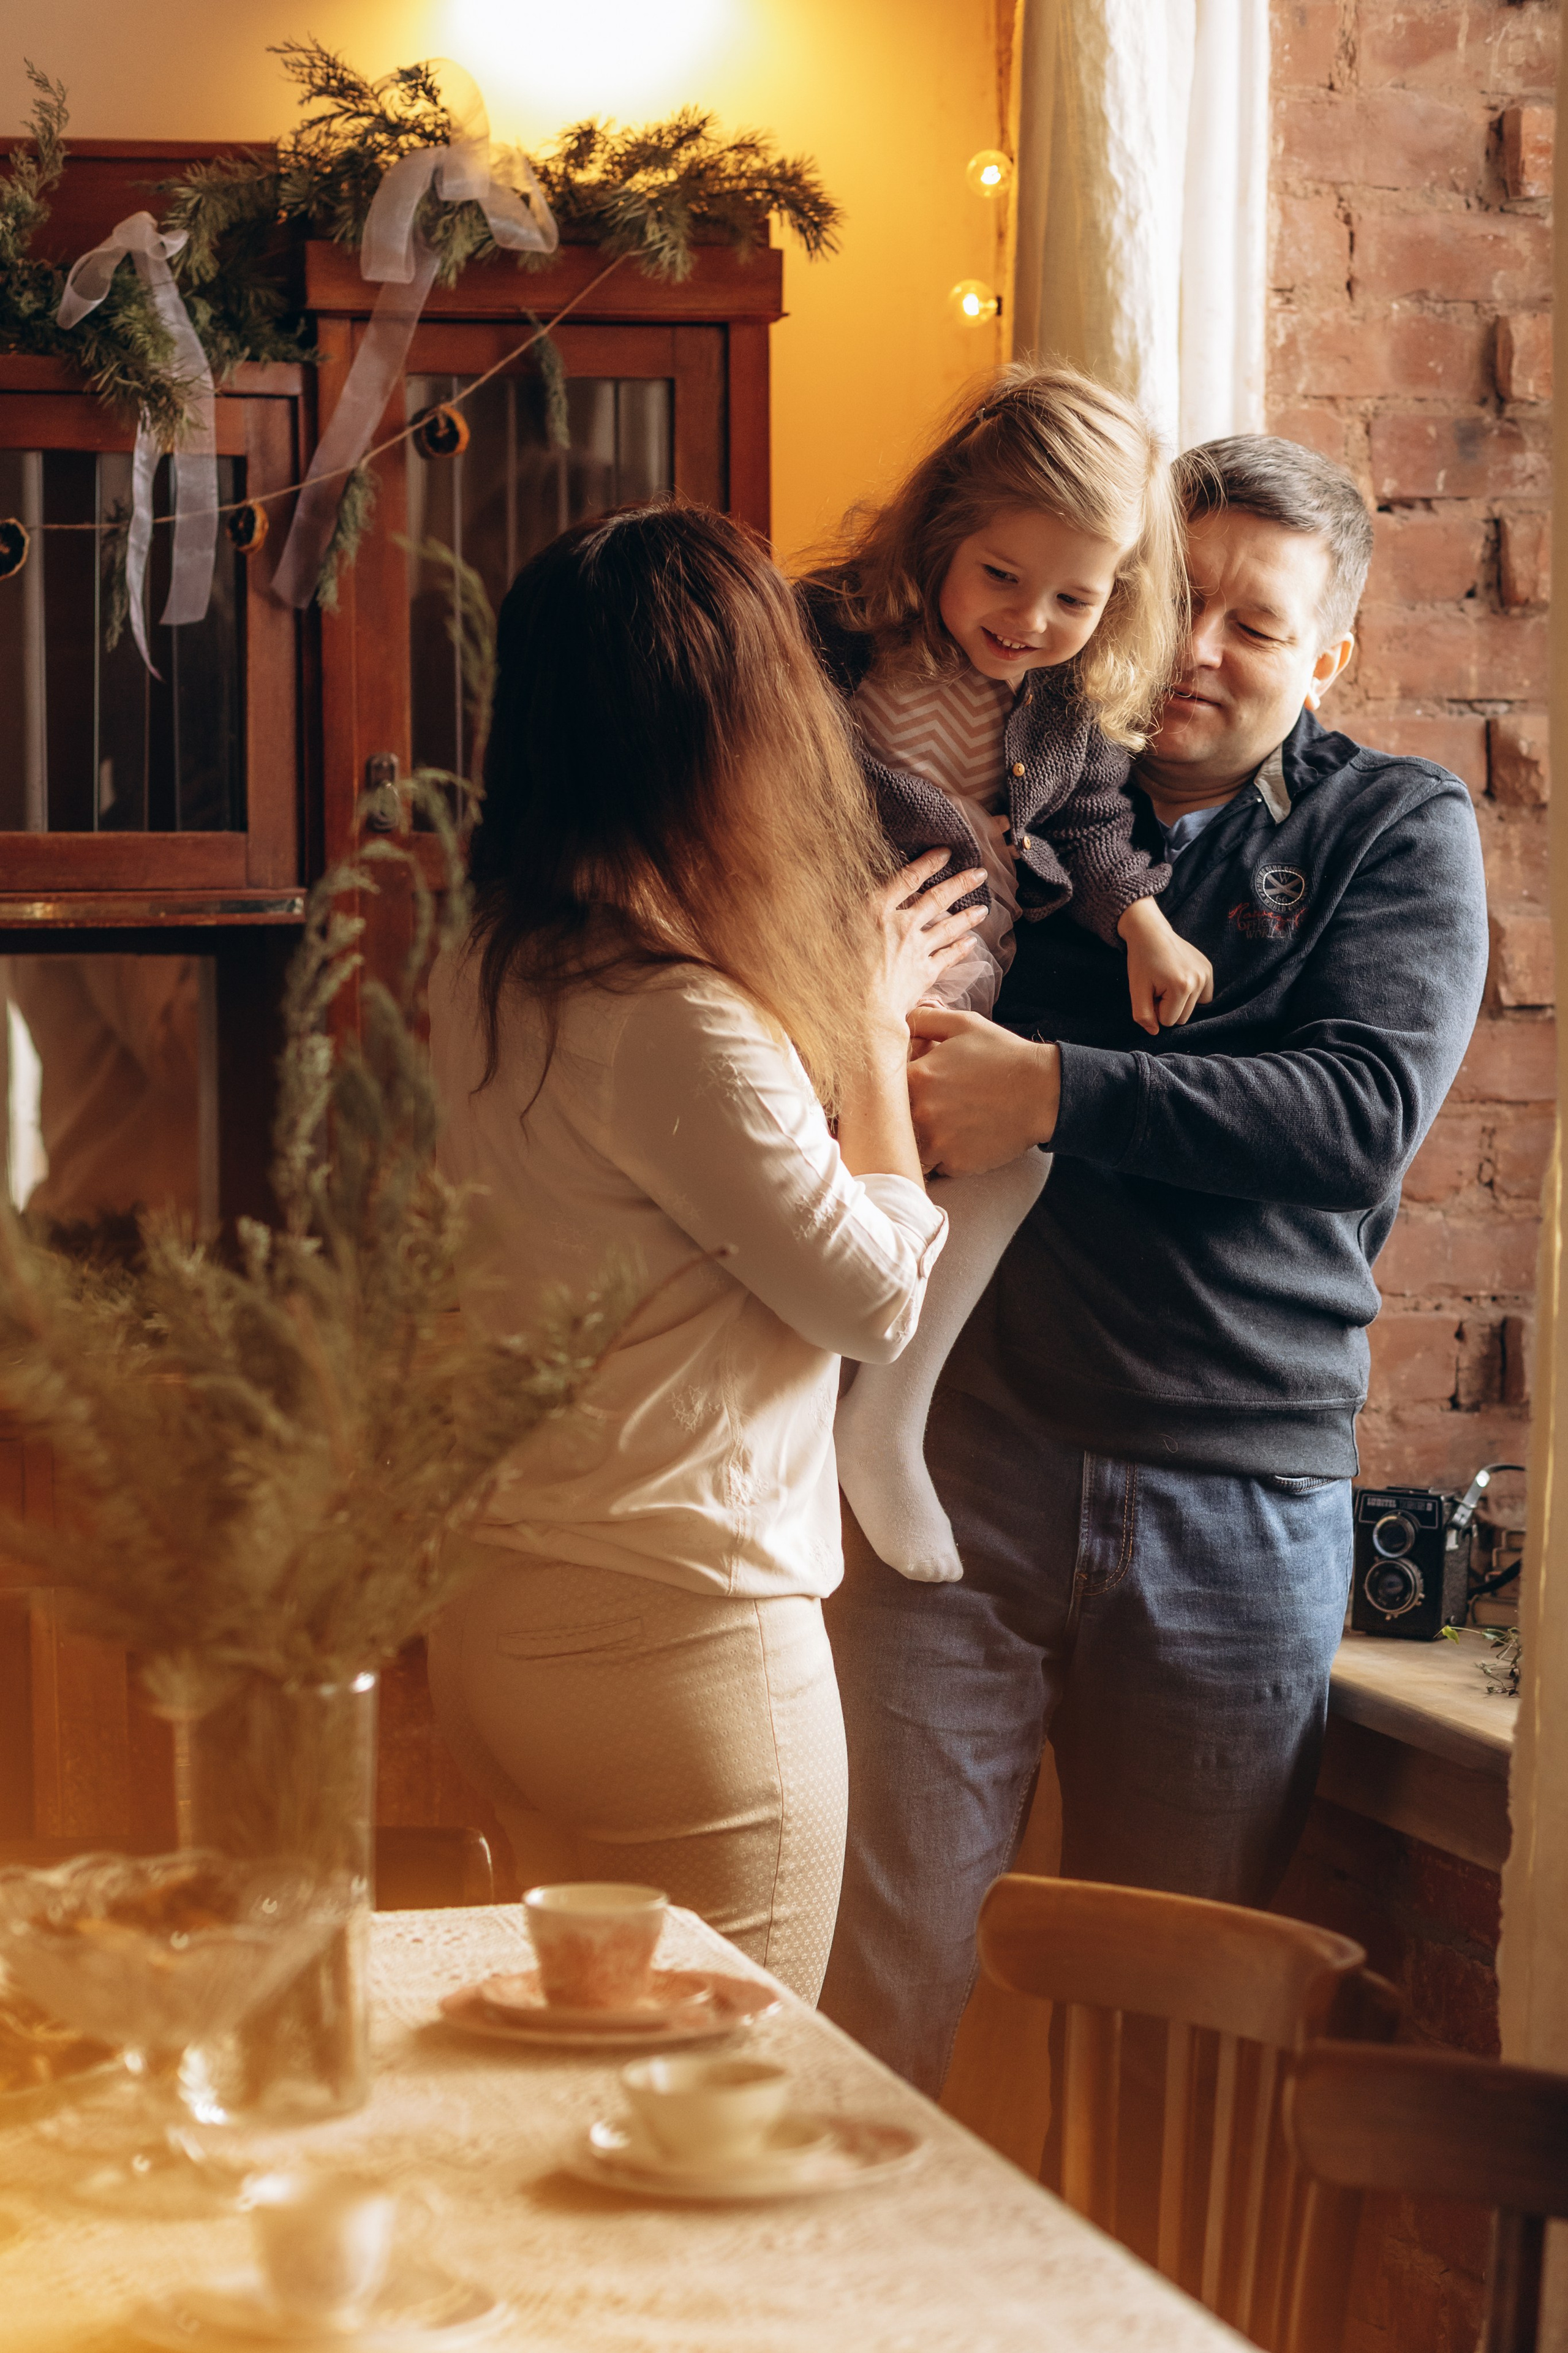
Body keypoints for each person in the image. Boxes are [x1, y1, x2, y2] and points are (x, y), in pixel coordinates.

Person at [818, 434, 1491, 2091]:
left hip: (1239, 1495)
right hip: (954, 1467)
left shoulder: (1393, 831)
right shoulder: (1022, 791)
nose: (1198, 649)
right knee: (875, 1983)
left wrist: (1050, 1091)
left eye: (1256, 627)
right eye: (1178, 600)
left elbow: (1354, 1116)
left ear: (1327, 659)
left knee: (1173, 2047)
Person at [424, 504, 986, 2004]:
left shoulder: (482, 967)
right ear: (733, 734)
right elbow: (872, 1300)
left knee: (562, 2123)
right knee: (723, 2120)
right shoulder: (671, 1016)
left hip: (495, 1626)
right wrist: (870, 1039)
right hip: (680, 1658)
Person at [800, 365, 1212, 1585]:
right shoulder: (833, 630)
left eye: (1073, 597)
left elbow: (1087, 825)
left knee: (1005, 1157)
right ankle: (796, 1417)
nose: (1029, 618)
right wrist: (948, 822)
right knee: (806, 1182)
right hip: (823, 957)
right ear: (941, 532)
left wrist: (1139, 920)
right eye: (1000, 576)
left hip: (951, 986)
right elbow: (790, 756)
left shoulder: (1060, 702)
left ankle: (884, 1415)